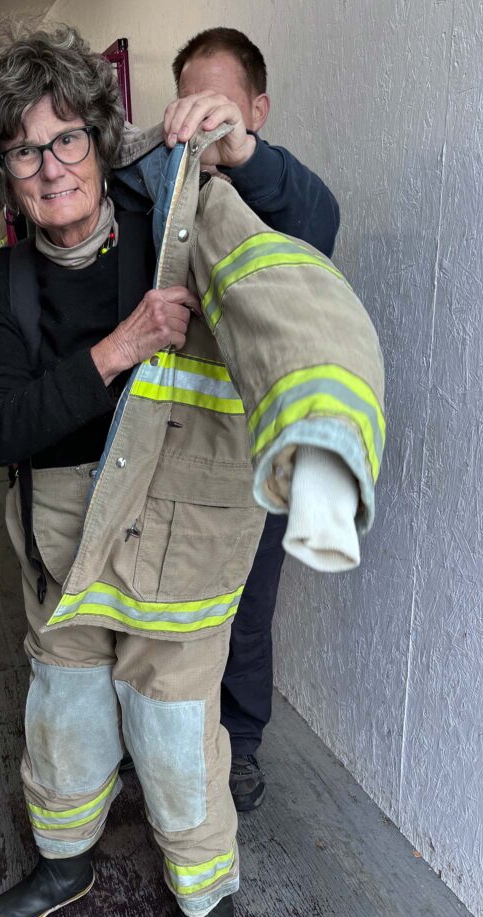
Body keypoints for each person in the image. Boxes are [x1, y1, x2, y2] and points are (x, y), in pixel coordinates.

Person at [0, 20, 384, 917]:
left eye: (66, 138)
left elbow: (306, 237)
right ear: (0, 166)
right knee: (61, 716)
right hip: (58, 547)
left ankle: (203, 899)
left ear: (99, 142)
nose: (51, 164)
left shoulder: (176, 225)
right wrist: (119, 347)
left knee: (173, 727)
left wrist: (241, 152)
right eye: (24, 147)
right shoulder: (1, 280)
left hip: (180, 529)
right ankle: (64, 860)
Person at [163, 27, 341, 811]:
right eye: (187, 104)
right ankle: (165, 738)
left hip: (249, 451)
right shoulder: (168, 187)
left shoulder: (272, 190)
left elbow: (320, 218)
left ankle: (240, 745)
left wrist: (242, 156)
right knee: (166, 607)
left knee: (244, 608)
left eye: (220, 107)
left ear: (255, 110)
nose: (201, 122)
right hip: (170, 445)